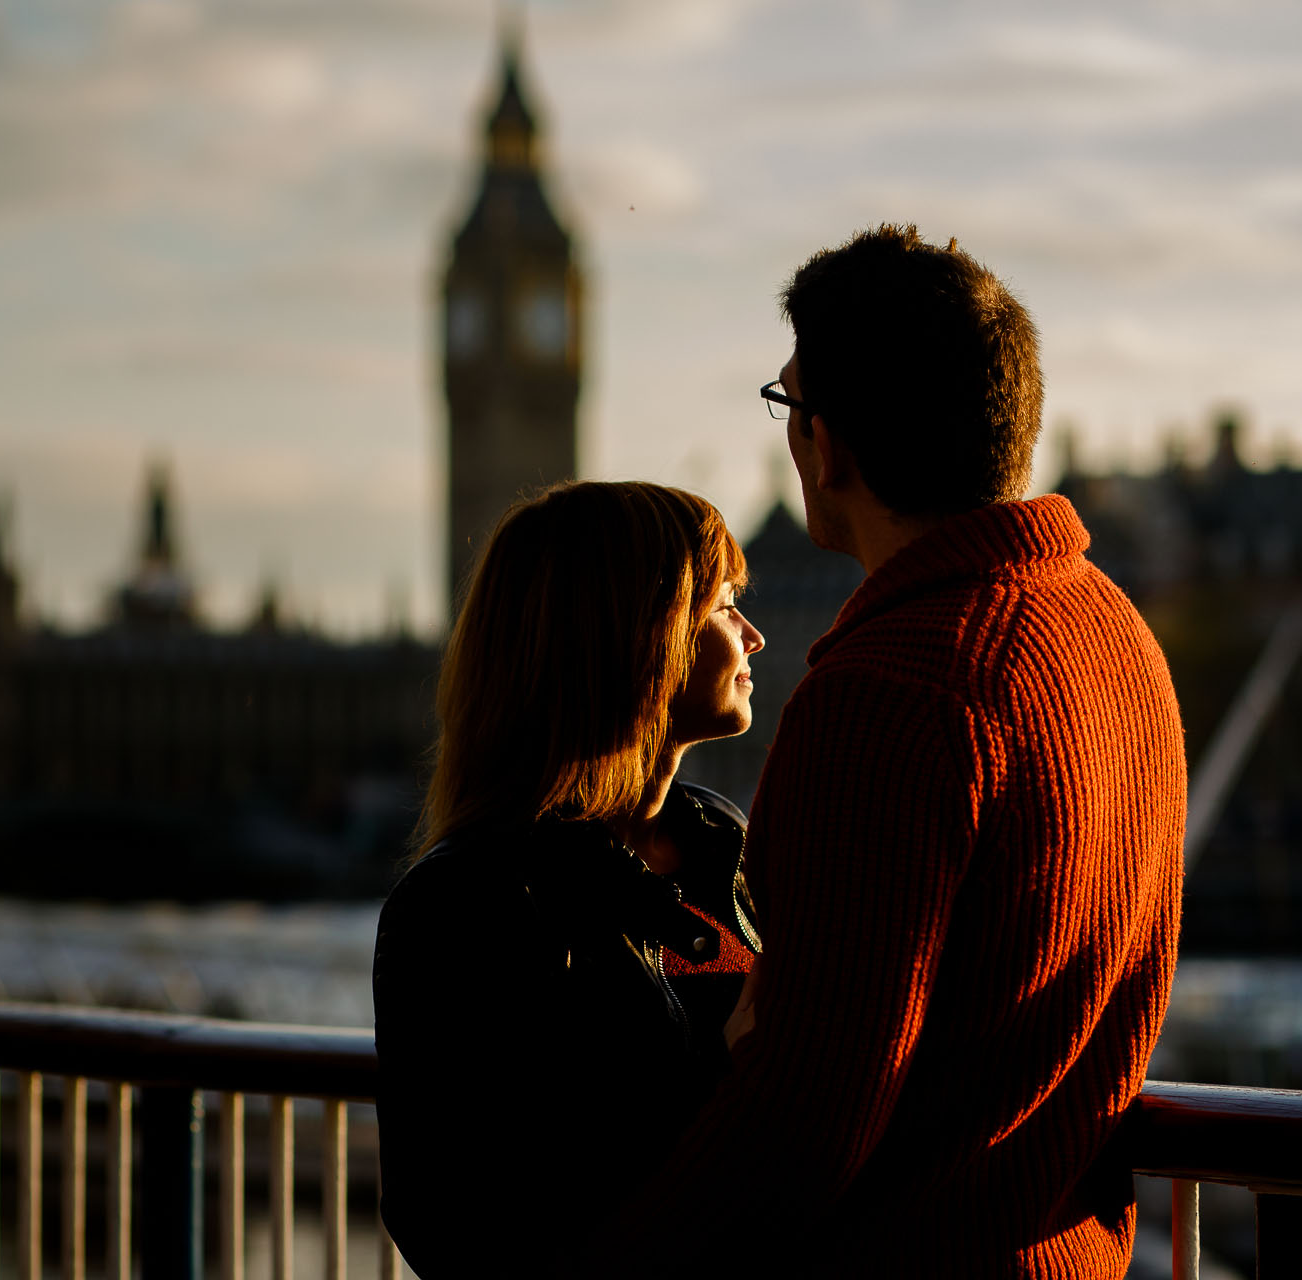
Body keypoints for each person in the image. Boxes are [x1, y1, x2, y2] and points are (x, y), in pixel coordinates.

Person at [616, 226, 1188, 1278]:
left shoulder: (892, 691)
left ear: (826, 445)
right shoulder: (1120, 638)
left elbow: (806, 1113)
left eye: (789, 406)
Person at [371, 480, 765, 1279]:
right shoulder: (467, 906)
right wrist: (729, 1061)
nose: (753, 636)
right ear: (639, 637)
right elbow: (459, 1224)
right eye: (723, 606)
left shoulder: (722, 838)